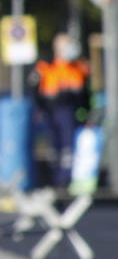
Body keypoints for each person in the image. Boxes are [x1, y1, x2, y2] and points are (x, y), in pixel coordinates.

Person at [33, 32, 89, 189]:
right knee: (54, 149)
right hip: (51, 112)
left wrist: (85, 112)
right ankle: (53, 180)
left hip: (68, 112)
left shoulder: (77, 67)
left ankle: (65, 180)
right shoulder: (47, 66)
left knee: (68, 149)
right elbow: (36, 90)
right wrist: (40, 109)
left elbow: (83, 94)